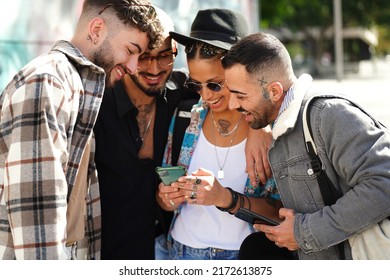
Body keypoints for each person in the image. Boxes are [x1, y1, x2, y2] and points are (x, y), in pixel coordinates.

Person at [0, 0, 163, 260]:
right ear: (97, 29)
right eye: (131, 51)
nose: (134, 67)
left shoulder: (77, 86)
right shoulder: (48, 83)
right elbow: (37, 211)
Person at [222, 31, 390, 259]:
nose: (232, 104)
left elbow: (384, 184)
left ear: (273, 91)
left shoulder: (328, 115)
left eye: (240, 96)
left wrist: (303, 232)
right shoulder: (278, 126)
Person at [157, 9, 287, 260]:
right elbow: (163, 198)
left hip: (244, 256)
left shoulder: (270, 127)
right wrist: (167, 198)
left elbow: (280, 212)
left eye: (215, 84)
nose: (206, 96)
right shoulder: (187, 116)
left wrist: (224, 197)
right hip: (182, 254)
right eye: (196, 85)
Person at [93, 7, 199, 260]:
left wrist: (258, 132)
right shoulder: (97, 103)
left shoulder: (184, 91)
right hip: (109, 250)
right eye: (143, 57)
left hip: (168, 248)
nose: (154, 68)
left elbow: (234, 94)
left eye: (164, 55)